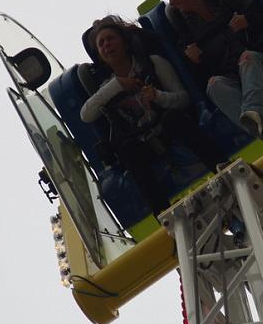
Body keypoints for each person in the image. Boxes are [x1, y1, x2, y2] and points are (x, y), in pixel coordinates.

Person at [80, 16, 224, 215]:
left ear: (123, 41)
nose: (107, 45)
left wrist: (158, 97)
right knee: (128, 150)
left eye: (110, 38)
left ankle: (222, 167)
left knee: (173, 119)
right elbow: (86, 114)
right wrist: (118, 85)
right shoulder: (107, 88)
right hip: (141, 143)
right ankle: (164, 215)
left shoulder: (153, 64)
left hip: (168, 127)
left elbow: (183, 99)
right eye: (101, 43)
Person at [155, 0, 263, 140]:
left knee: (247, 58)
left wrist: (248, 21)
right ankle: (261, 126)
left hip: (261, 60)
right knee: (214, 84)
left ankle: (255, 118)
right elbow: (201, 78)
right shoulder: (185, 28)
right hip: (230, 75)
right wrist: (196, 61)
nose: (172, 2)